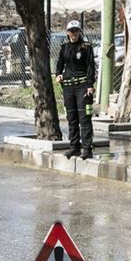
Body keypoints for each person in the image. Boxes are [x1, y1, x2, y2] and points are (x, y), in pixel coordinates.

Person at [55, 20, 96, 160]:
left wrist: (90, 84)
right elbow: (59, 64)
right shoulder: (64, 47)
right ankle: (74, 147)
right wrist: (58, 75)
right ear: (67, 33)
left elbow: (91, 66)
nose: (74, 33)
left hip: (82, 86)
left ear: (80, 32)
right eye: (71, 31)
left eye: (76, 30)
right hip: (68, 86)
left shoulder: (86, 47)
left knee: (84, 119)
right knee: (71, 118)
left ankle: (87, 148)